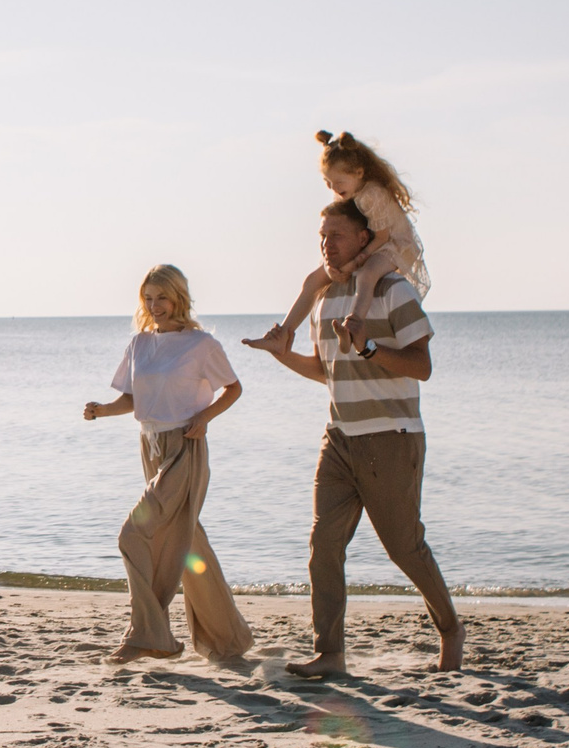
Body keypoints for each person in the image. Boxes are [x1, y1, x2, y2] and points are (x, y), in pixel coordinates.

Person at [244, 200, 463, 676]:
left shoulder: (392, 290)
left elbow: (422, 366)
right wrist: (282, 354)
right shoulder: (324, 297)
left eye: (337, 235)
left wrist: (368, 345)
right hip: (339, 437)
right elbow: (328, 371)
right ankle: (330, 653)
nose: (326, 245)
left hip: (391, 436)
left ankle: (449, 629)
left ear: (365, 238)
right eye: (322, 236)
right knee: (324, 544)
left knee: (404, 547)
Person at [82, 265, 256, 666]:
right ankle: (230, 640)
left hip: (185, 448)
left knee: (133, 535)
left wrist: (205, 417)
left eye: (161, 297)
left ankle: (146, 634)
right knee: (188, 543)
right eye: (147, 298)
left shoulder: (201, 344)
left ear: (178, 297)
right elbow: (132, 399)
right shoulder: (140, 344)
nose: (153, 306)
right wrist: (102, 411)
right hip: (150, 445)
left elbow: (234, 388)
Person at [267, 131, 430, 353]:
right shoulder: (348, 192)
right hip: (367, 243)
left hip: (393, 245)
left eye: (338, 182)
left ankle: (353, 327)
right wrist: (330, 267)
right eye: (328, 183)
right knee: (314, 279)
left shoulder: (373, 194)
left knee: (367, 274)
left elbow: (382, 237)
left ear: (359, 173)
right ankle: (284, 332)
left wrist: (355, 262)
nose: (333, 189)